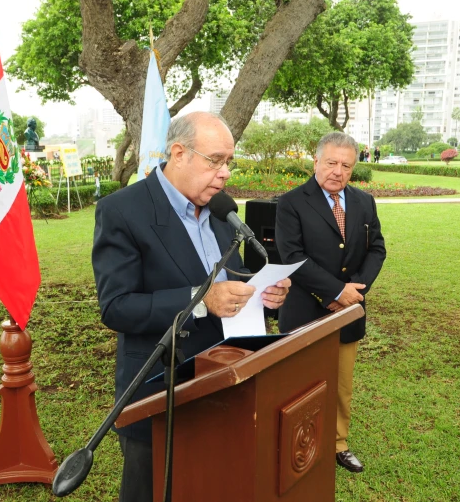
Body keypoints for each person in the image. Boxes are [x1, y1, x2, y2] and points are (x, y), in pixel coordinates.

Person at [92, 111, 291, 502]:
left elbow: (229, 280)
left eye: (229, 162)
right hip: (157, 393)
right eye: (215, 160)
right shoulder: (123, 211)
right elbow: (116, 307)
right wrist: (199, 300)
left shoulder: (221, 212)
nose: (225, 173)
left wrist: (264, 296)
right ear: (178, 153)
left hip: (223, 386)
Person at [275, 131, 386, 474]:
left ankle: (338, 443)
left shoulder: (364, 201)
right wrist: (336, 292)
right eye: (332, 163)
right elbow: (293, 256)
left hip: (349, 311)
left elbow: (377, 248)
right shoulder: (291, 203)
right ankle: (296, 444)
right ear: (316, 162)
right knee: (299, 385)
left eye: (346, 166)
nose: (338, 171)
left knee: (341, 384)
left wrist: (355, 293)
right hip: (304, 310)